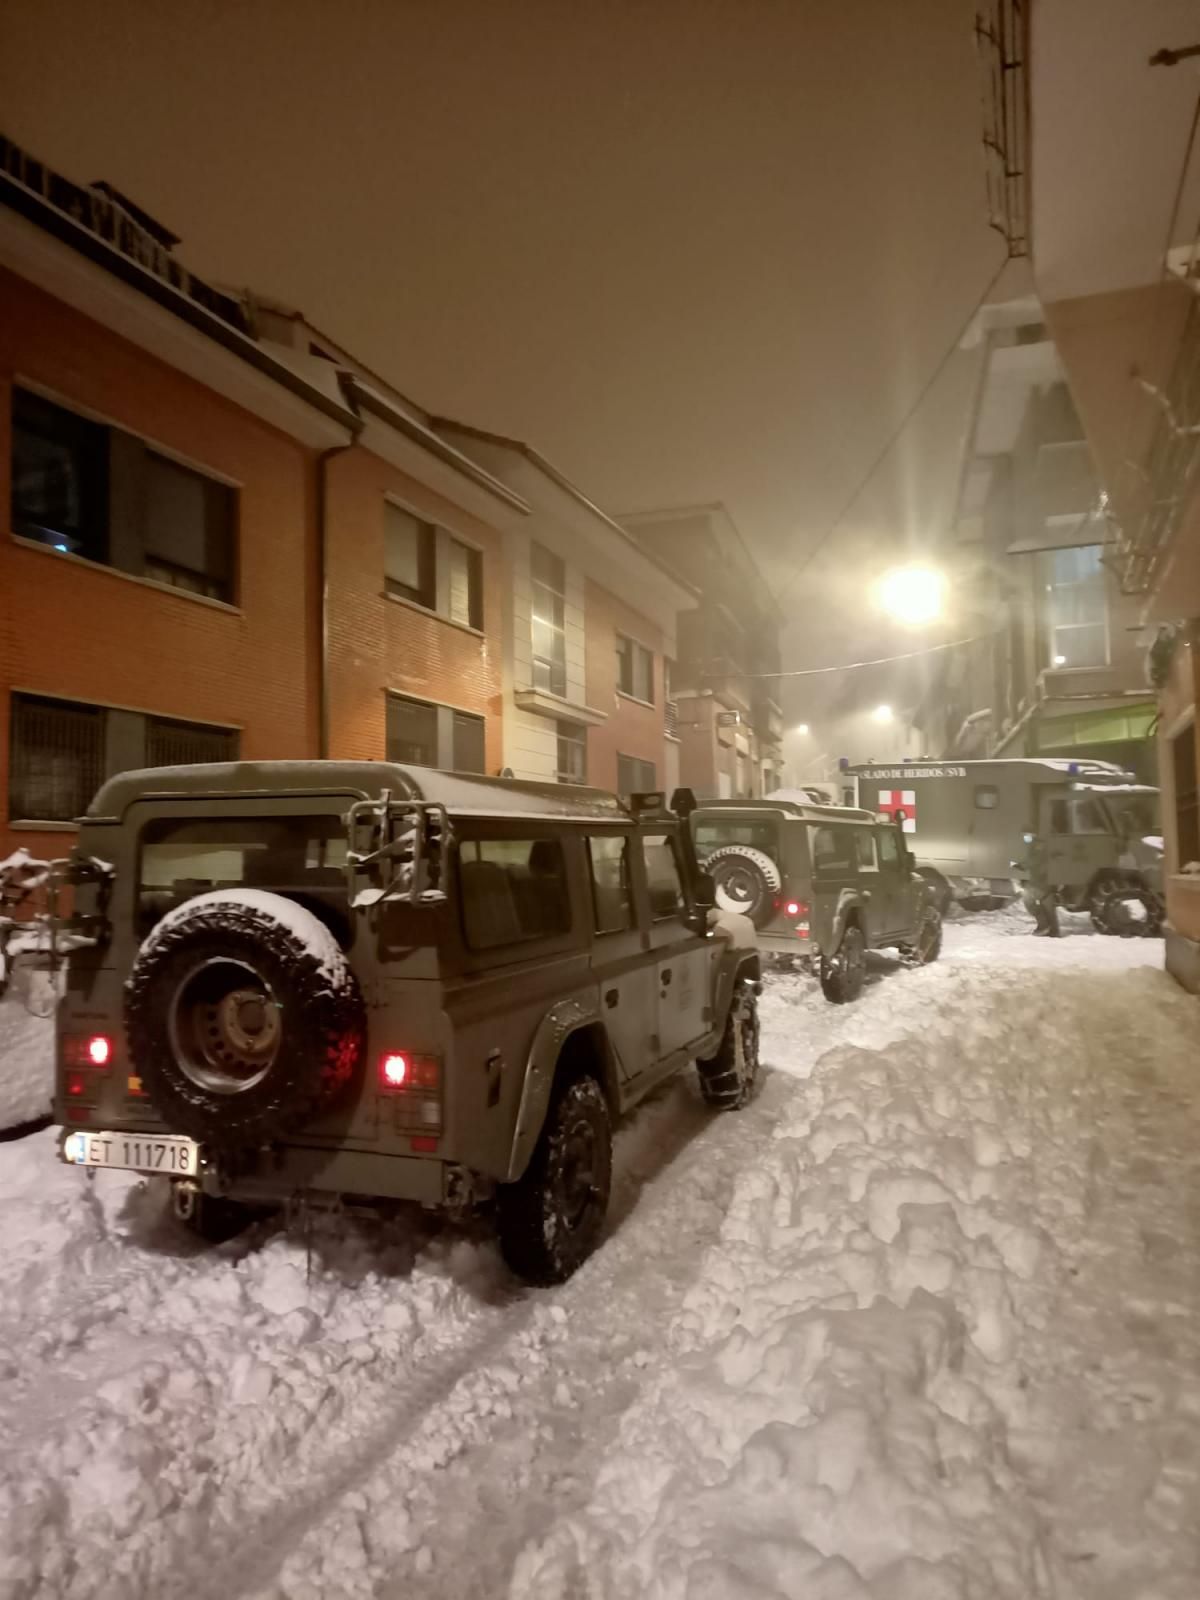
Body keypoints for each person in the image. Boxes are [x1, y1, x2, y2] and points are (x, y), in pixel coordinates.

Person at [1018, 833, 1061, 937]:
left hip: (1040, 882)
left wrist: (1013, 864)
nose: (1025, 839)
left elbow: (1029, 863)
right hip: (1049, 882)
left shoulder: (1036, 847)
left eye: (1026, 836)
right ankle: (1053, 932)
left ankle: (1043, 926)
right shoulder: (1043, 845)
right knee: (1048, 906)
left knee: (1028, 901)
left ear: (1032, 836)